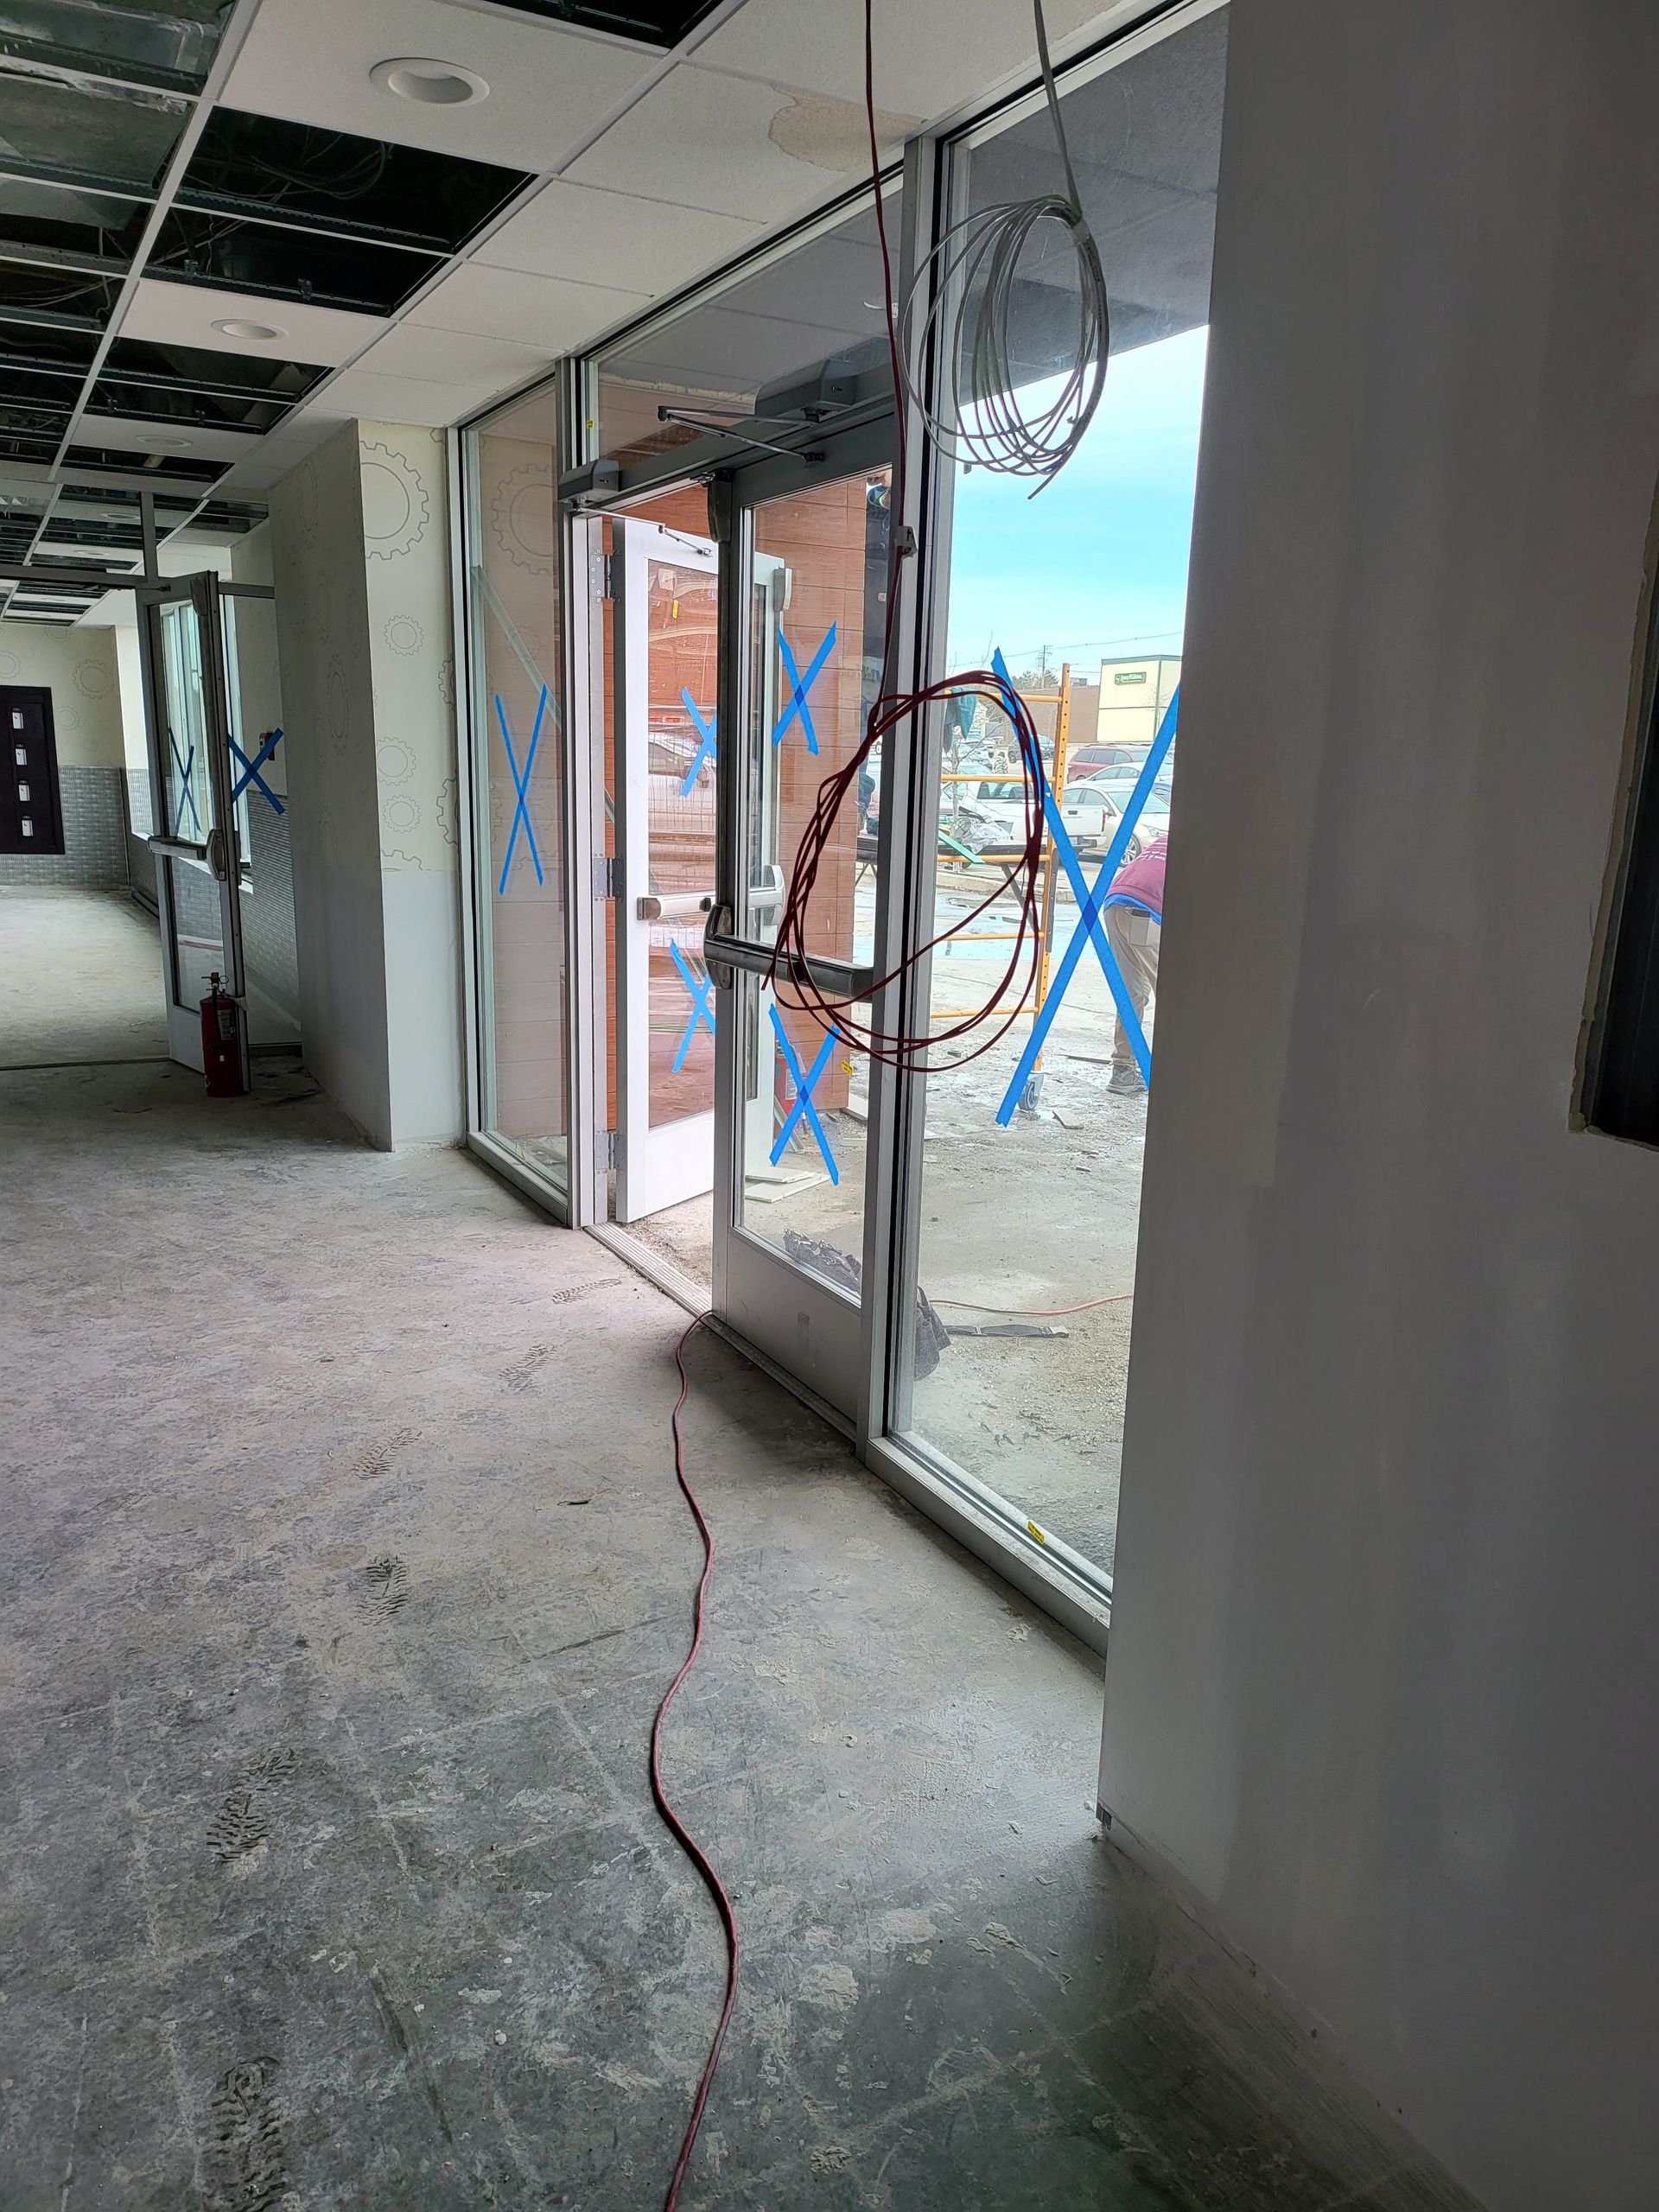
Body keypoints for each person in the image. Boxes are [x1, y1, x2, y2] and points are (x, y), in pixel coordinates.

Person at [1100, 832, 1166, 1095]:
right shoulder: (1202, 851)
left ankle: (1123, 1071)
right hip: (1145, 912)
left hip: (1114, 904)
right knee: (1173, 998)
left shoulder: (1162, 841)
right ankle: (1180, 1070)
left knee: (1131, 993)